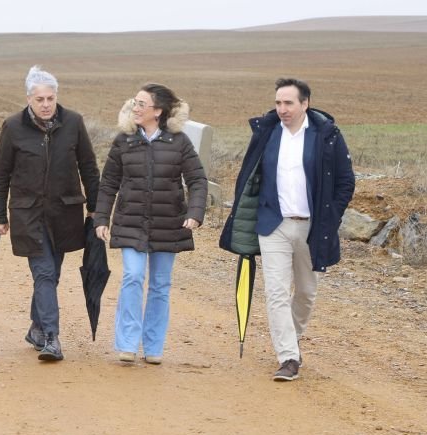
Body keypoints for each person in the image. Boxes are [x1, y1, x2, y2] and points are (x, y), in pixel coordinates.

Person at [219, 78, 355, 381]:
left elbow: (346, 182)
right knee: (277, 292)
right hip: (273, 224)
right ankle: (288, 357)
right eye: (278, 103)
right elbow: (248, 177)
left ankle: (290, 340)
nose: (282, 109)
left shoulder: (326, 135)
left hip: (312, 227)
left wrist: (331, 216)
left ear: (304, 104)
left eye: (288, 103)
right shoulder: (266, 133)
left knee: (306, 292)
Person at [0, 66, 99, 362]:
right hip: (29, 214)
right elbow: (1, 173)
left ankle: (37, 328)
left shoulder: (73, 123)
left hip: (65, 213)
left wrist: (96, 208)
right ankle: (51, 337)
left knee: (53, 274)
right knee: (45, 273)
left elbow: (88, 166)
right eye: (40, 99)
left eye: (51, 98)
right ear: (29, 99)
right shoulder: (13, 127)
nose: (47, 104)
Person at [93, 83, 207, 365]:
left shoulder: (179, 142)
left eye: (142, 104)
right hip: (130, 222)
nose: (136, 108)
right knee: (132, 277)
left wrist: (195, 212)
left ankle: (153, 346)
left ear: (158, 111)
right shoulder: (124, 141)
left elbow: (197, 180)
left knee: (159, 284)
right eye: (135, 102)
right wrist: (101, 217)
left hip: (169, 224)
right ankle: (128, 343)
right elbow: (108, 183)